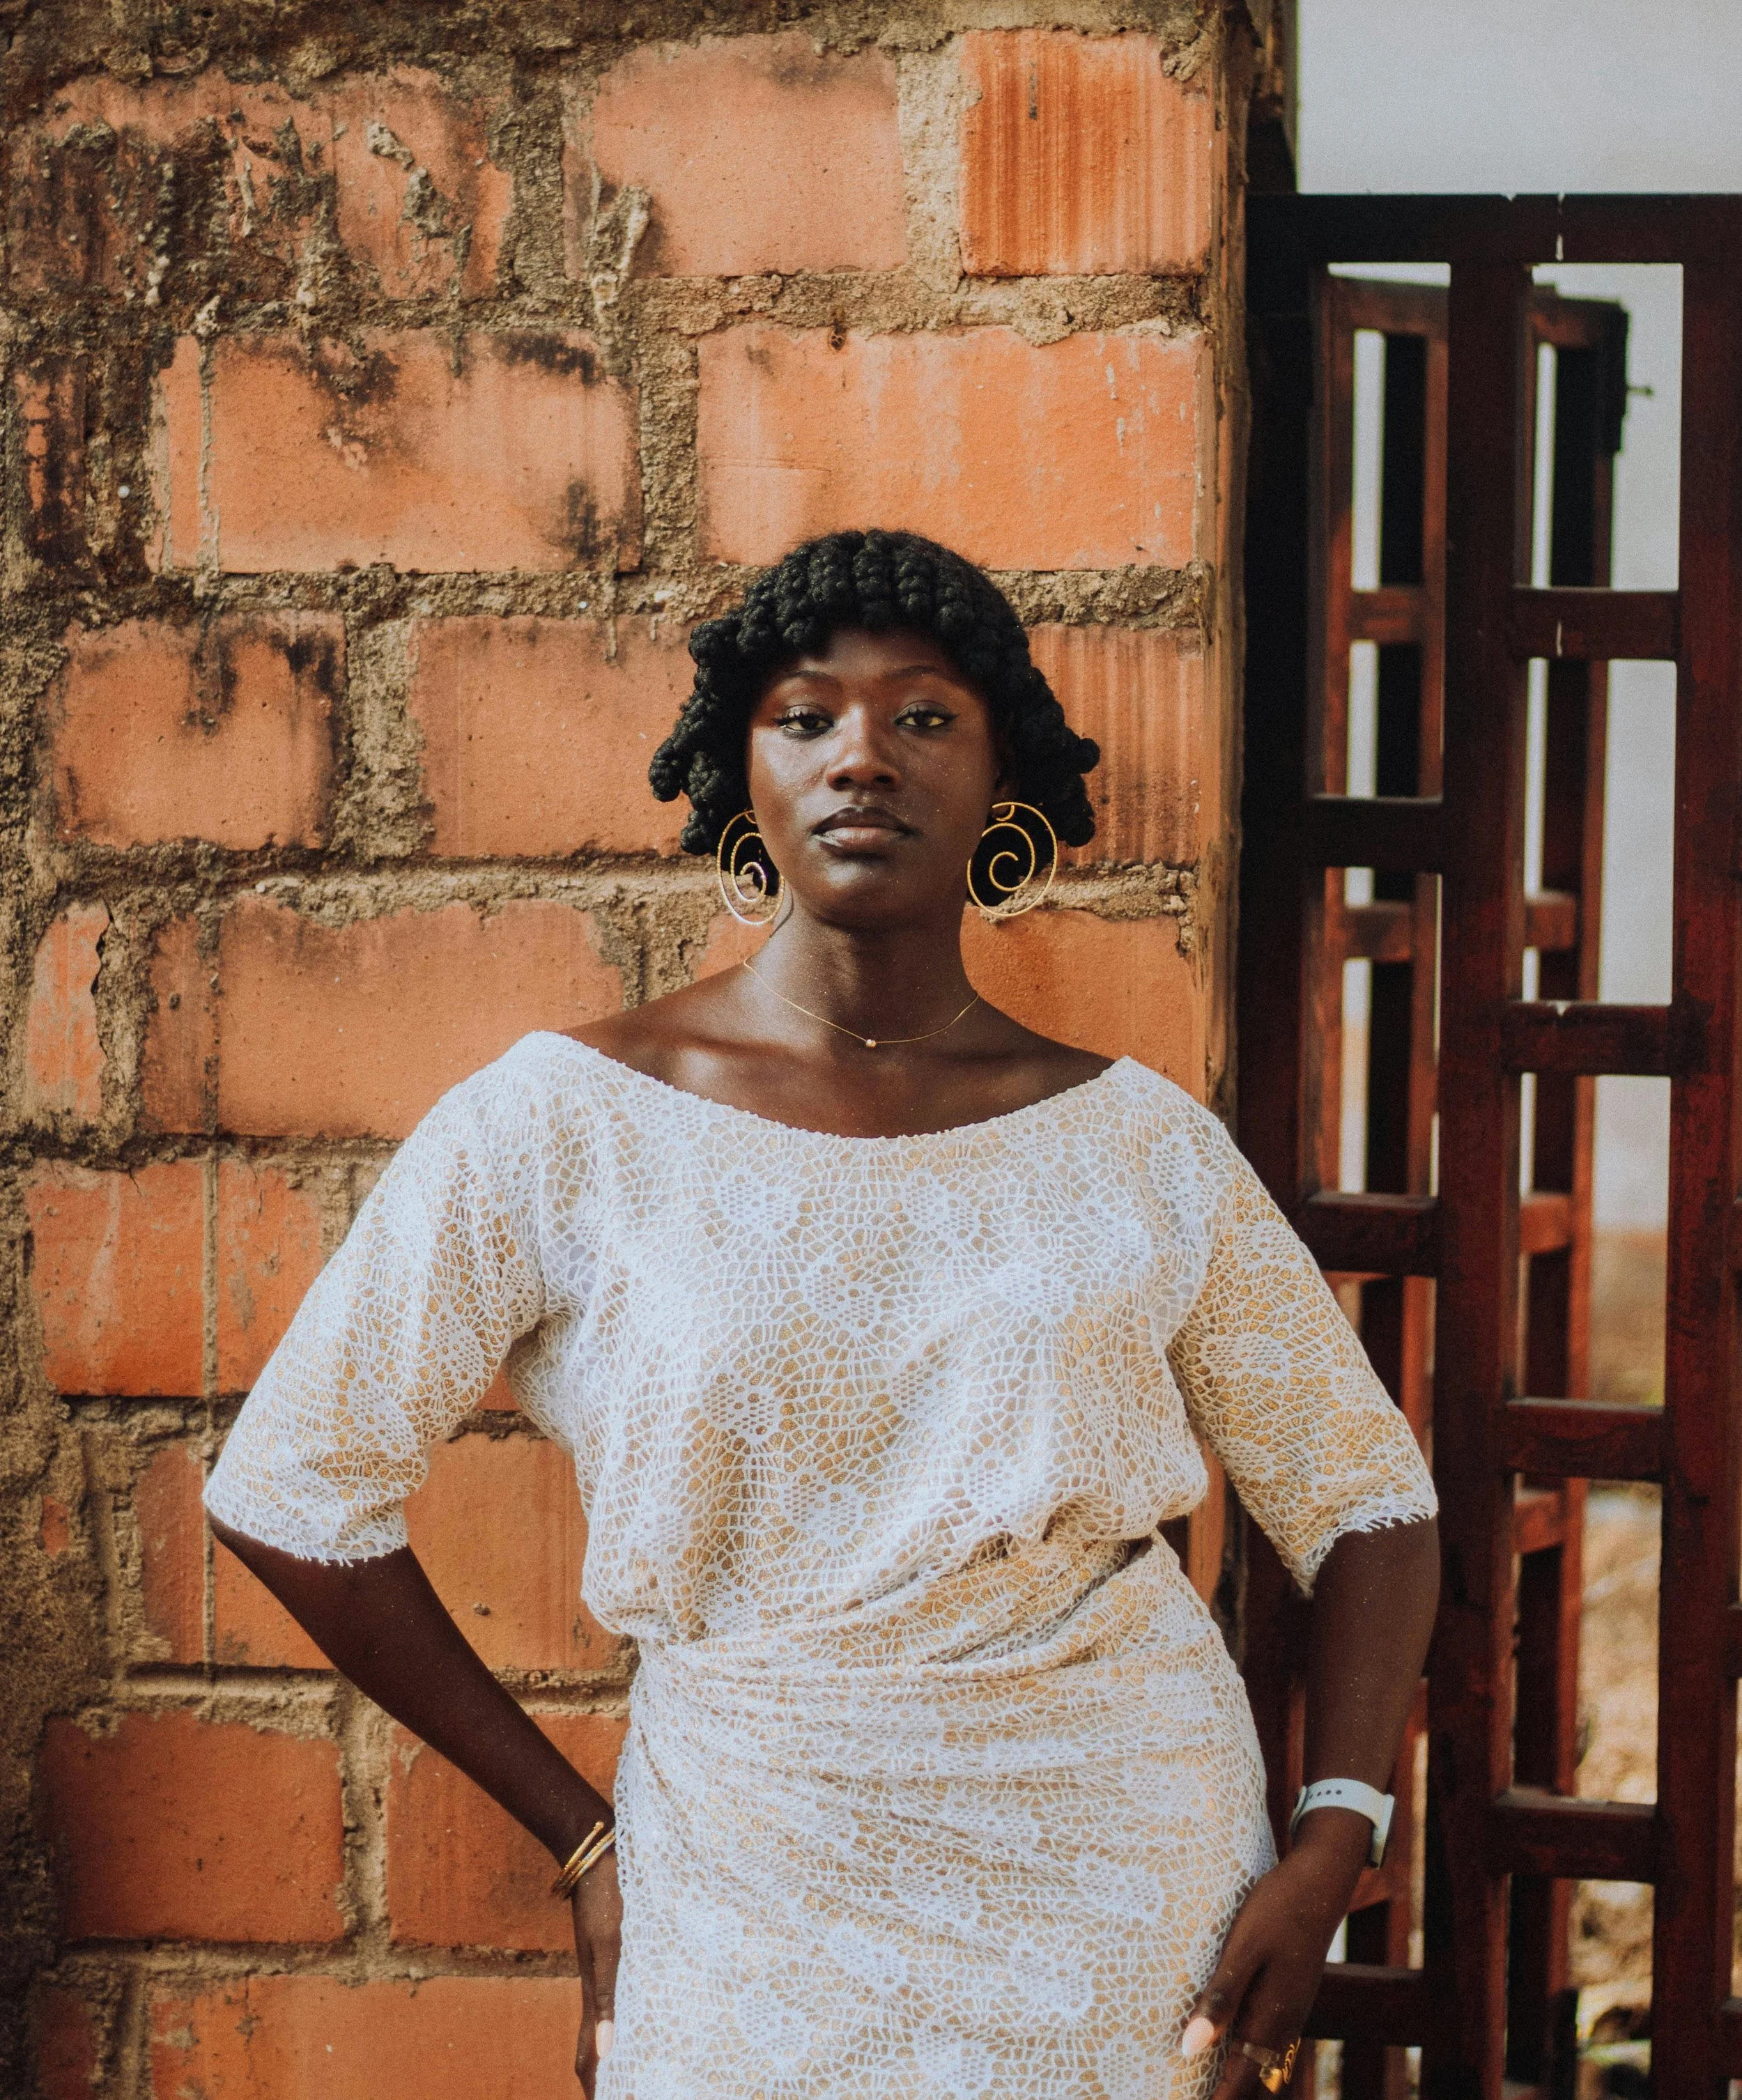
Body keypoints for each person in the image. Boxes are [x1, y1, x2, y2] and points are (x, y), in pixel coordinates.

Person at [206, 529, 1440, 2100]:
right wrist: (580, 1830)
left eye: (922, 717)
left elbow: (1367, 1502)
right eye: (804, 717)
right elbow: (293, 1484)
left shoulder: (1135, 1140)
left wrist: (1335, 1830)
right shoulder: (562, 1124)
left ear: (1003, 779)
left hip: (1124, 1883)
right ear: (742, 780)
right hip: (745, 1880)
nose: (862, 755)